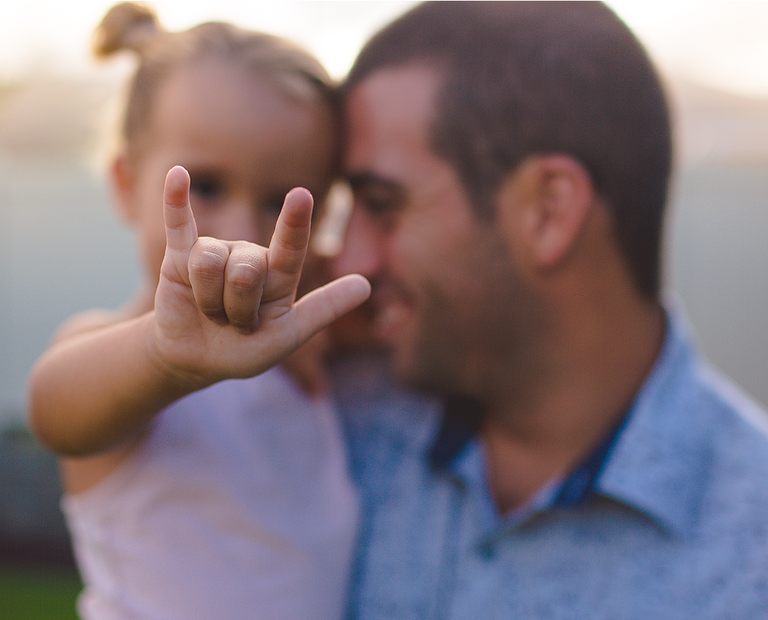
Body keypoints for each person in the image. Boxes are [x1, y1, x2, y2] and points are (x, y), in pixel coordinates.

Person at [327, 2, 768, 618]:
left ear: (548, 212)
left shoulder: (752, 554)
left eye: (382, 204)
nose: (347, 259)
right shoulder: (321, 418)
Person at [27, 4, 369, 619]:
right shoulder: (121, 353)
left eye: (282, 204)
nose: (244, 236)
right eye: (207, 187)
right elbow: (56, 409)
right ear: (127, 184)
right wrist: (165, 358)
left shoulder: (309, 359)